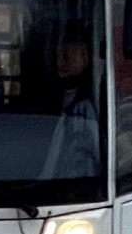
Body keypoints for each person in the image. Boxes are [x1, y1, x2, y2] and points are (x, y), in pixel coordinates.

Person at [40, 36, 100, 179]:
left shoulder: (84, 108)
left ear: (85, 59)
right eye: (57, 57)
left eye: (66, 57)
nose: (60, 63)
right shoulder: (56, 98)